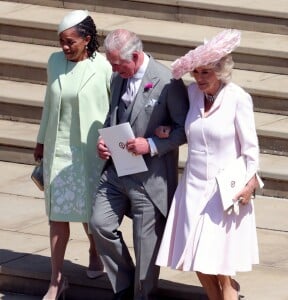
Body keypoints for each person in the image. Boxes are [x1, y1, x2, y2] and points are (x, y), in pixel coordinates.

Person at [156, 29, 263, 300]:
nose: (200, 78)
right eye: (197, 72)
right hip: (192, 188)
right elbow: (185, 126)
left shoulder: (238, 98)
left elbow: (251, 149)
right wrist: (167, 131)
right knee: (195, 258)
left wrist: (250, 183)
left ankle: (228, 293)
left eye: (206, 72)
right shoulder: (191, 94)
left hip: (224, 192)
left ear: (221, 70)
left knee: (221, 264)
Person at [89, 29, 189, 300]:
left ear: (134, 56)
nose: (113, 68)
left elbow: (184, 129)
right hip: (116, 172)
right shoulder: (118, 77)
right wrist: (104, 141)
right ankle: (124, 284)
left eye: (116, 64)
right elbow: (113, 115)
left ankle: (141, 294)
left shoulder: (168, 81)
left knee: (146, 247)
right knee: (99, 223)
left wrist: (153, 145)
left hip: (150, 178)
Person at [33, 10, 112, 300]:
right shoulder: (54, 62)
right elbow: (48, 103)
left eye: (70, 42)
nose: (64, 48)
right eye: (61, 42)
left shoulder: (103, 67)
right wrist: (41, 141)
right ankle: (56, 280)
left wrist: (115, 146)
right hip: (59, 148)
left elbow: (114, 109)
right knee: (57, 213)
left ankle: (94, 249)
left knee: (90, 211)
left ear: (87, 39)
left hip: (89, 149)